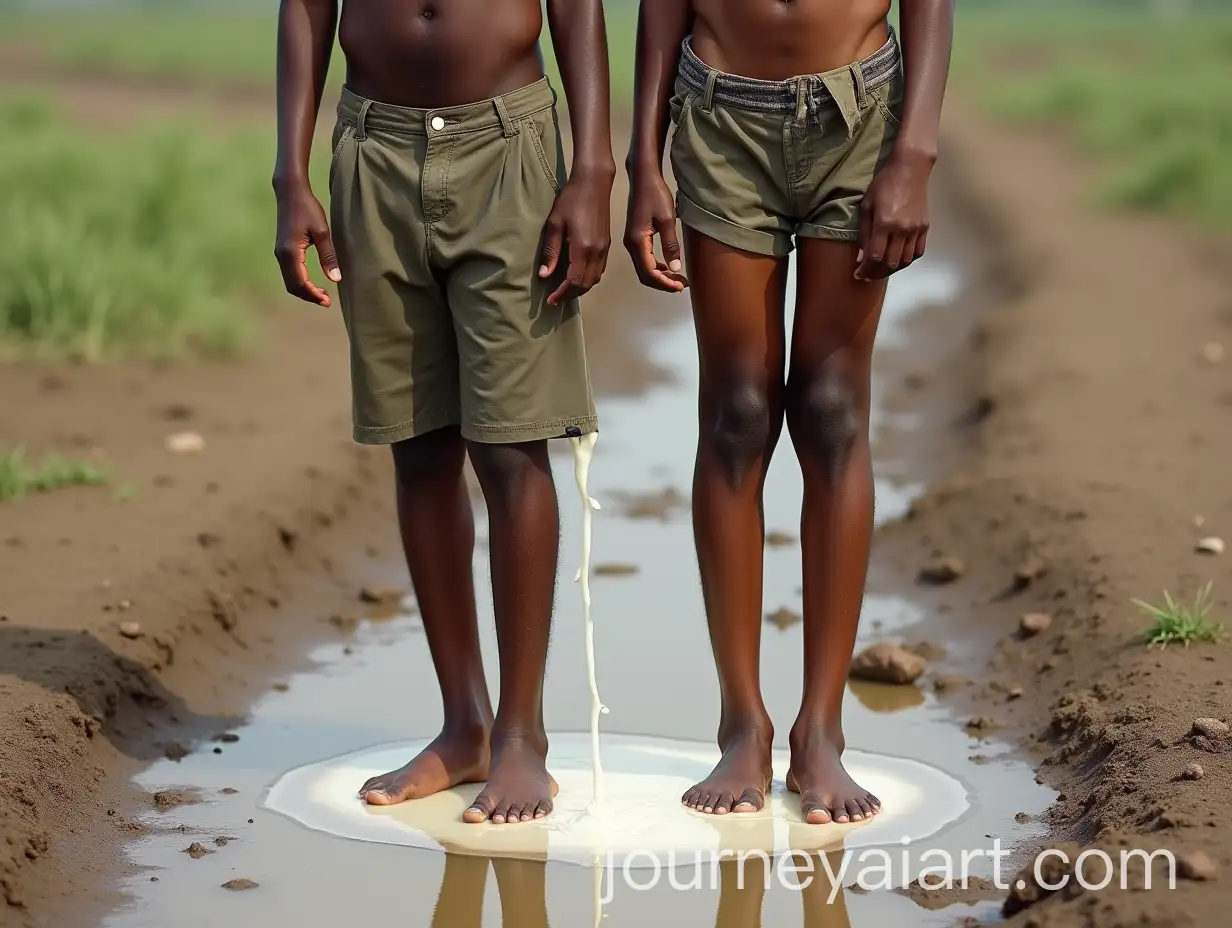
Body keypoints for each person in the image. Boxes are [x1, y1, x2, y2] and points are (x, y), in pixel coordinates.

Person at [273, 0, 615, 824]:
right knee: (420, 447)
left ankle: (522, 738)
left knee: (510, 447)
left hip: (508, 145)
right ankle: (465, 725)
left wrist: (593, 171)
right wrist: (291, 174)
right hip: (373, 149)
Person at [624, 0, 953, 824]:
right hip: (722, 116)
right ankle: (742, 723)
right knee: (736, 413)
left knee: (831, 409)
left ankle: (822, 730)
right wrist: (644, 159)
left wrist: (914, 151)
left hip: (858, 113)